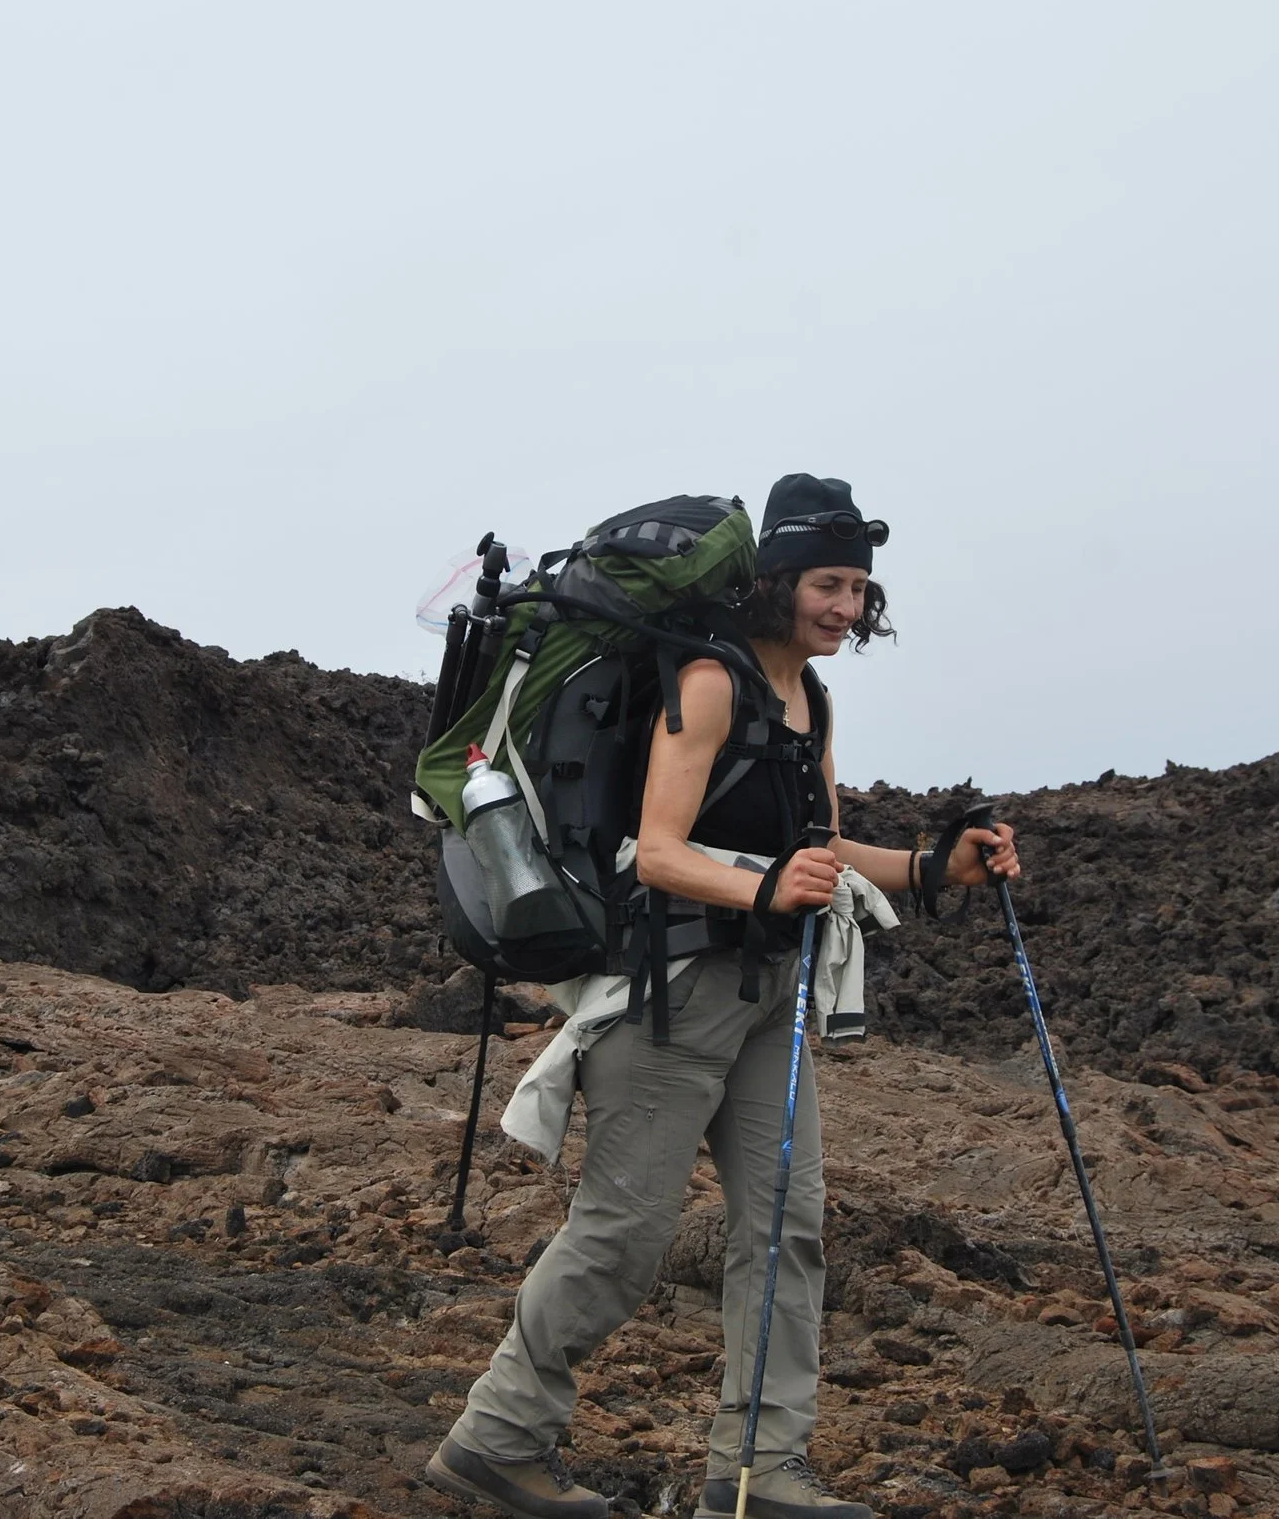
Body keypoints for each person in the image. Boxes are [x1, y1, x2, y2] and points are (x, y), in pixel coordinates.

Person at [426, 474, 1020, 1519]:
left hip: (770, 993)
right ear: (778, 580)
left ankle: (761, 1474)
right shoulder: (708, 681)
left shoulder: (813, 698)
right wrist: (758, 884)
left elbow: (820, 847)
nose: (845, 607)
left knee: (787, 1231)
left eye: (858, 589)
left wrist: (934, 870)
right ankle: (497, 1437)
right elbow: (654, 852)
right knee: (624, 1236)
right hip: (673, 994)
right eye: (827, 584)